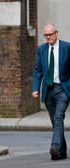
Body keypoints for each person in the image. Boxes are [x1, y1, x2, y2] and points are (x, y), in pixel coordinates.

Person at [32, 23, 70, 160]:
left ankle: (54, 146)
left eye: (50, 34)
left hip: (62, 89)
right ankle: (61, 152)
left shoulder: (67, 47)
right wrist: (35, 88)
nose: (48, 37)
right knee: (55, 122)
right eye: (46, 35)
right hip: (48, 89)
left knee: (59, 117)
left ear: (56, 33)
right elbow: (37, 71)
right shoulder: (41, 50)